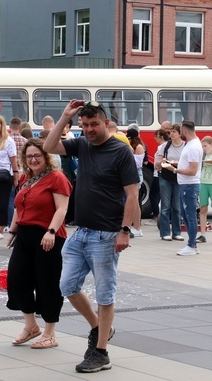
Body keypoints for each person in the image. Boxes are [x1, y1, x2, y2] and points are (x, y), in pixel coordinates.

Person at [44, 100, 139, 374]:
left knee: (104, 295)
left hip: (107, 234)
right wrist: (64, 117)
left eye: (94, 124)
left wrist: (124, 230)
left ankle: (100, 352)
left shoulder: (121, 151)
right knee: (68, 286)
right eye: (84, 125)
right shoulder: (82, 145)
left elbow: (132, 194)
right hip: (81, 232)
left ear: (105, 123)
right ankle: (99, 328)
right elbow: (49, 146)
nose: (89, 130)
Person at [6, 138, 71, 349]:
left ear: (46, 156)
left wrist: (51, 231)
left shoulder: (56, 178)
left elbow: (61, 209)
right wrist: (13, 229)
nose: (33, 160)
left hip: (48, 236)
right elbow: (19, 206)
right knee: (16, 279)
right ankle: (31, 325)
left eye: (37, 155)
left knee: (48, 283)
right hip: (25, 234)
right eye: (29, 156)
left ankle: (50, 332)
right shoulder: (26, 178)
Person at [162, 120, 202, 256]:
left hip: (189, 185)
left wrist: (174, 169)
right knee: (185, 214)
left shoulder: (192, 147)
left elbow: (192, 170)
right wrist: (177, 164)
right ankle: (191, 244)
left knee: (189, 215)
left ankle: (192, 245)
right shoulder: (192, 144)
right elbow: (189, 165)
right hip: (185, 184)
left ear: (184, 131)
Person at [0, 115, 18, 240]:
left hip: (5, 174)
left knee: (3, 203)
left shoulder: (8, 141)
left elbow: (13, 159)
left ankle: (1, 229)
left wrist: (15, 175)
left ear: (2, 126)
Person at [155, 124, 184, 242]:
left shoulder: (185, 146)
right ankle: (165, 232)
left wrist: (178, 164)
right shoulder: (165, 146)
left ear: (180, 134)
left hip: (179, 177)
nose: (171, 134)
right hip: (165, 177)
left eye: (174, 132)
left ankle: (177, 232)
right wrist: (162, 162)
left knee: (177, 207)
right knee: (165, 206)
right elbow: (157, 164)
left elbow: (188, 163)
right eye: (170, 132)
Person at [126, 126, 147, 238]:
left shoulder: (139, 147)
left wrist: (129, 152)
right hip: (130, 174)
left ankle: (137, 228)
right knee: (132, 200)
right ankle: (132, 226)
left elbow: (138, 163)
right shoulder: (132, 146)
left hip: (136, 174)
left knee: (134, 201)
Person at [148, 128, 167, 228]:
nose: (155, 138)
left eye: (156, 136)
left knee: (153, 195)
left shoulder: (161, 147)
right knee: (158, 195)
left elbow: (158, 162)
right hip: (159, 173)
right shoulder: (164, 146)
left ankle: (156, 216)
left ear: (161, 137)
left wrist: (157, 166)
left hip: (158, 173)